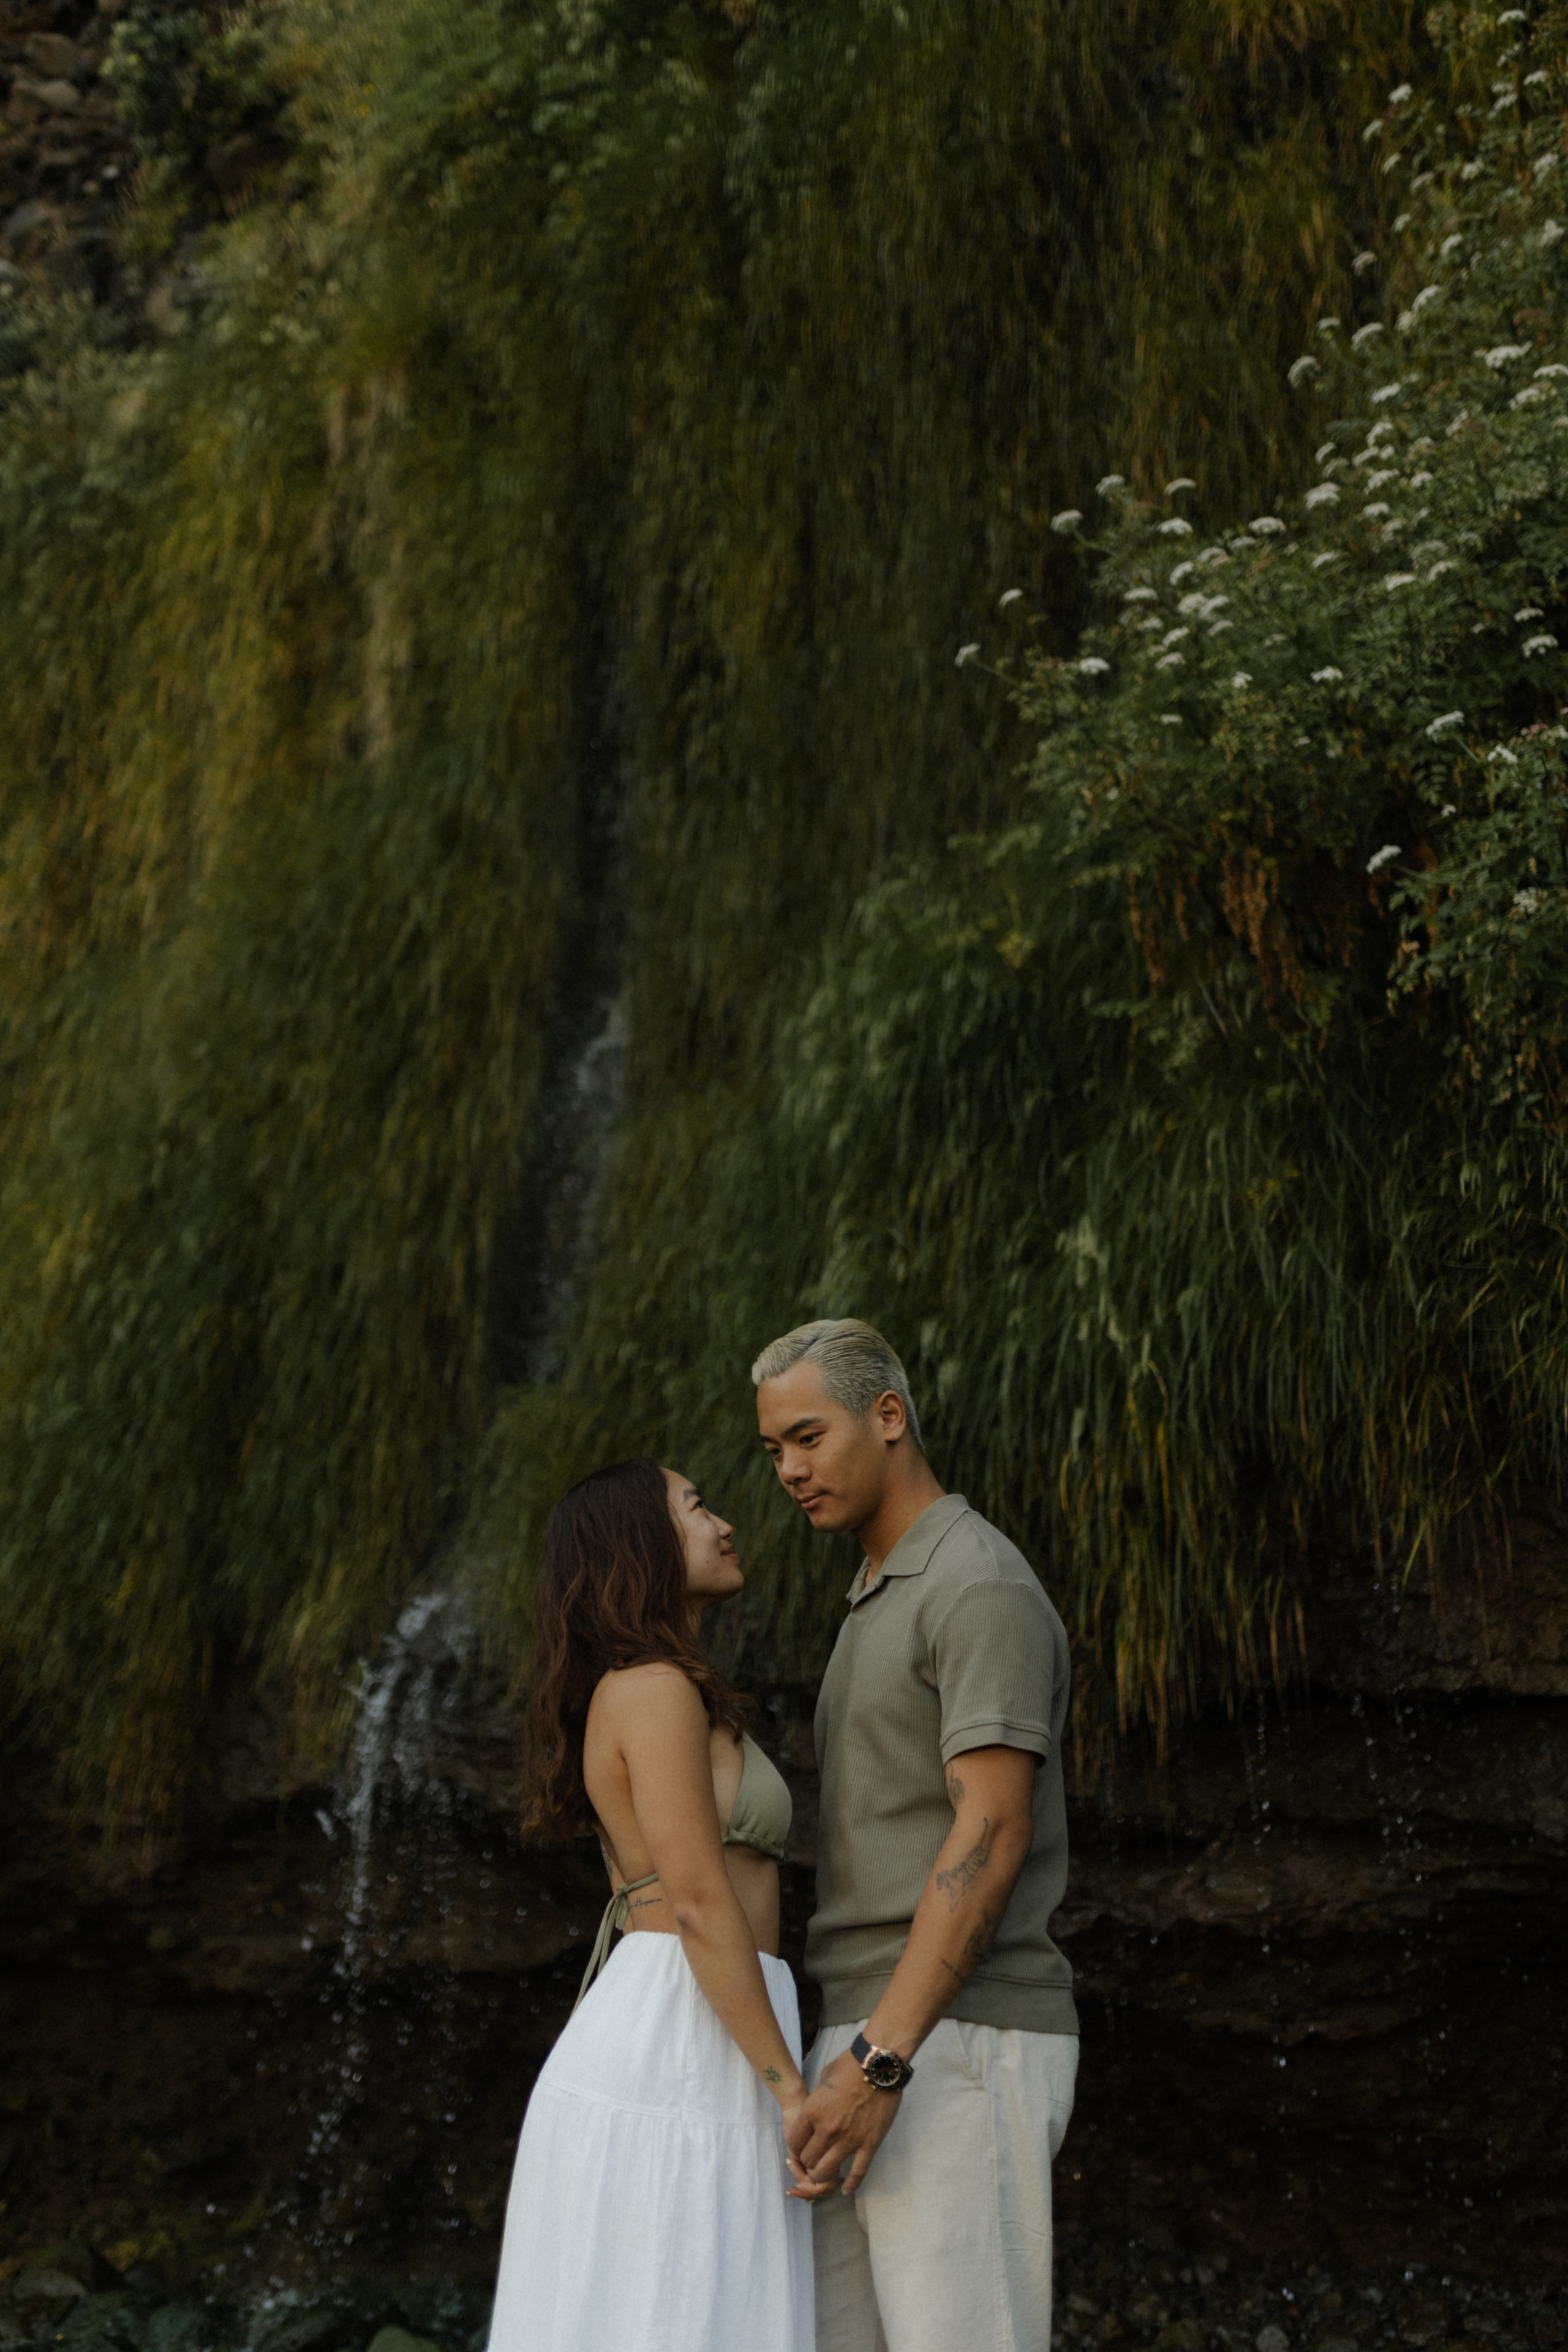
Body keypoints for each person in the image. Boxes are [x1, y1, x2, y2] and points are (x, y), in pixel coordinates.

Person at [753, 1317, 1079, 2352]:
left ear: (888, 1415)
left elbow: (993, 1830)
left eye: (809, 1437)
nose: (789, 1470)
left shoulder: (975, 1583)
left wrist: (882, 2061)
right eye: (774, 1450)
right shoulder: (877, 1592)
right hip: (866, 2035)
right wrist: (853, 2057)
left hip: (955, 2041)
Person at [487, 1457, 816, 2352]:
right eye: (697, 1507)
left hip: (707, 2019)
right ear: (642, 1544)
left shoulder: (660, 1688)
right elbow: (700, 1901)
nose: (725, 1523)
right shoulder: (653, 1689)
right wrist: (791, 2093)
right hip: (683, 2031)